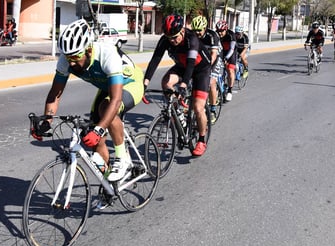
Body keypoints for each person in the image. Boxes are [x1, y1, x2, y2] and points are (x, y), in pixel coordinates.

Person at [31, 19, 144, 182]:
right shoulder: (67, 60)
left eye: (76, 56)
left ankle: (122, 158)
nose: (72, 62)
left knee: (106, 110)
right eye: (68, 57)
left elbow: (116, 99)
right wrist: (46, 121)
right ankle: (110, 185)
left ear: (89, 50)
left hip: (130, 83)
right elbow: (55, 93)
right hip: (107, 87)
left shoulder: (107, 54)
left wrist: (99, 130)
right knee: (94, 140)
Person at [143, 14, 211, 156]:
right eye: (169, 38)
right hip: (182, 66)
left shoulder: (191, 39)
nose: (172, 41)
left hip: (200, 70)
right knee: (166, 82)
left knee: (198, 108)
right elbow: (155, 60)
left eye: (175, 37)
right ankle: (177, 113)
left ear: (182, 31)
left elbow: (191, 64)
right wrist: (145, 84)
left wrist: (183, 85)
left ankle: (202, 139)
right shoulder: (166, 40)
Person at [191, 15, 223, 124]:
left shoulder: (212, 35)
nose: (197, 33)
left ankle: (213, 109)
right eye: (194, 30)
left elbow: (214, 54)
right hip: (202, 59)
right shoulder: (193, 36)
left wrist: (208, 68)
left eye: (199, 30)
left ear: (205, 28)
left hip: (215, 58)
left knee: (211, 81)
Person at [215, 20, 237, 102]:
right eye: (218, 31)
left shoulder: (231, 35)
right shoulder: (216, 35)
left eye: (222, 31)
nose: (220, 33)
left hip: (230, 53)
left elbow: (231, 49)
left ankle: (230, 90)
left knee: (230, 70)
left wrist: (226, 58)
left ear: (226, 29)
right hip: (221, 52)